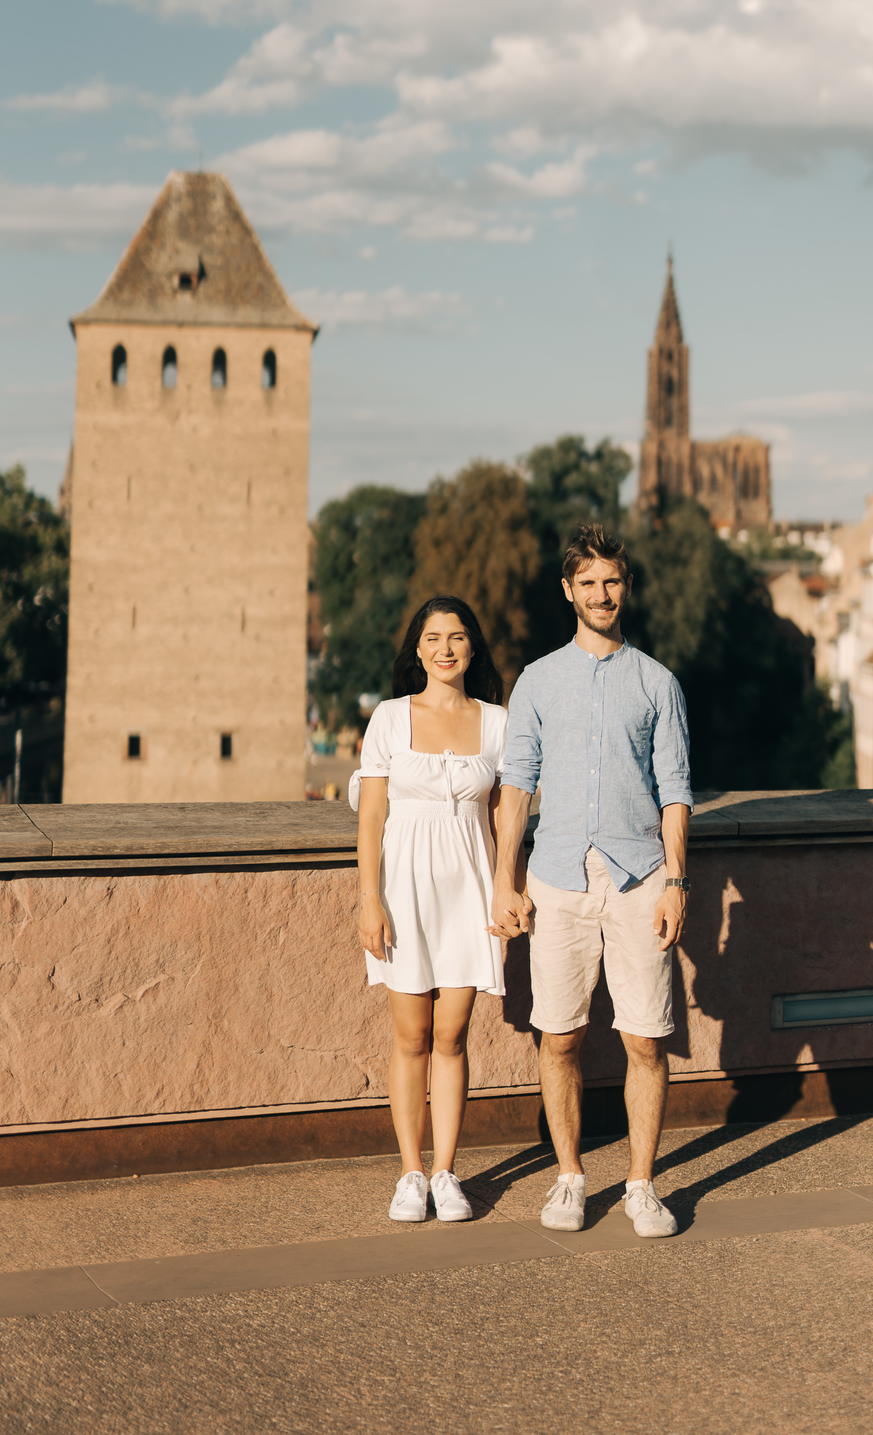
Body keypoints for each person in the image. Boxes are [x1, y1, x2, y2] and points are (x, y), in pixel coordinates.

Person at [489, 523, 692, 1239]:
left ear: (626, 587)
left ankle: (641, 1184)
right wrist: (503, 881)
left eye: (613, 581)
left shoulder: (658, 683)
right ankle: (571, 1177)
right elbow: (516, 788)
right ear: (568, 591)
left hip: (640, 879)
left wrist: (677, 883)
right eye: (589, 583)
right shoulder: (539, 680)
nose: (602, 594)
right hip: (557, 879)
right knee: (560, 1036)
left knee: (645, 1039)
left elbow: (675, 791)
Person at [354, 596, 508, 1225]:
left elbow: (505, 814)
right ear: (416, 649)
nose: (445, 648)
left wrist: (507, 887)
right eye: (433, 637)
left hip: (469, 893)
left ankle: (446, 1172)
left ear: (473, 647)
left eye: (457, 637)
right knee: (411, 1035)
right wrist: (370, 899)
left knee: (451, 1035)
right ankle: (410, 1173)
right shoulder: (390, 719)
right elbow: (370, 817)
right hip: (404, 892)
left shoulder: (498, 723)